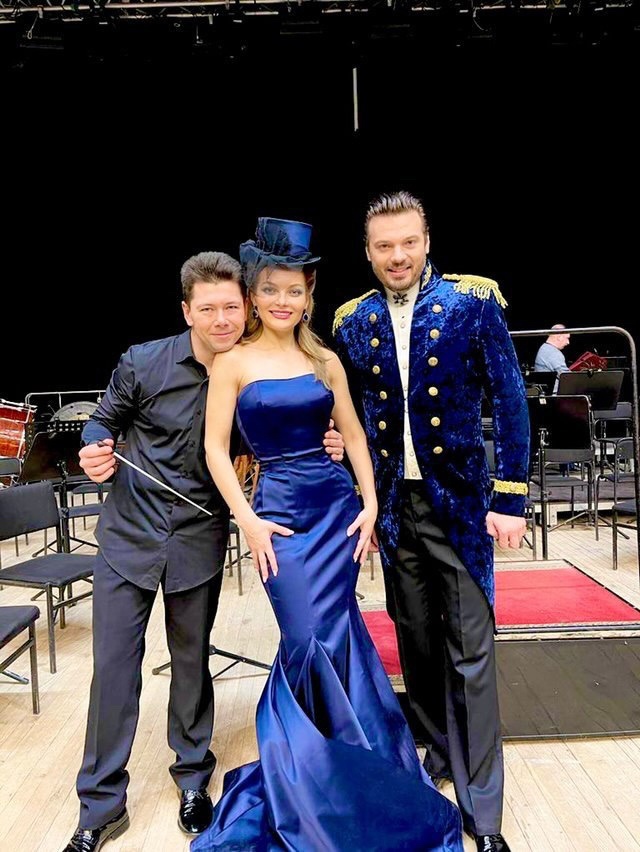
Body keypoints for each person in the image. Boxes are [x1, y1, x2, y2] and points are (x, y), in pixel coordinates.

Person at [194, 217, 463, 851]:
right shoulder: (231, 363)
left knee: (340, 635)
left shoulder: (324, 360)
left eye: (294, 290)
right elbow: (213, 450)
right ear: (254, 294)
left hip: (334, 512)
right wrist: (246, 519)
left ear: (308, 295)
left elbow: (357, 435)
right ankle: (311, 784)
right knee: (306, 638)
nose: (282, 301)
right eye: (271, 290)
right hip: (279, 519)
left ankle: (355, 771)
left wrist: (369, 503)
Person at [63, 250, 345, 852]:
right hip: (129, 536)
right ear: (187, 311)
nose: (222, 319)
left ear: (246, 308)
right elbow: (102, 420)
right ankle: (100, 806)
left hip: (198, 535)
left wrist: (325, 441)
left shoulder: (254, 372)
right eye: (208, 308)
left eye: (231, 307)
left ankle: (193, 778)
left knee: (191, 662)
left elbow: (282, 437)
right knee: (114, 668)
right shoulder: (143, 362)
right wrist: (95, 447)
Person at [332, 191, 530, 852]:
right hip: (395, 512)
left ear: (426, 241)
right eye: (384, 246)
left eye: (408, 242)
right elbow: (351, 415)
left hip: (462, 508)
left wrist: (510, 498)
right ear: (368, 252)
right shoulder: (353, 320)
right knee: (415, 640)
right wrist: (347, 474)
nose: (398, 256)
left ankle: (484, 810)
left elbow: (509, 398)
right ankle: (439, 752)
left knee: (472, 651)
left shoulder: (473, 301)